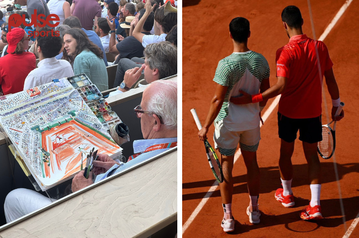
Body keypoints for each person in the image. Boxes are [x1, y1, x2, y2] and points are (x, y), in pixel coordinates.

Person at [4, 79, 177, 223]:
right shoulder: (175, 151)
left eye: (140, 111)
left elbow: (100, 216)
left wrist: (82, 193)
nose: (138, 115)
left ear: (156, 122)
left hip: (98, 217)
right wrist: (118, 166)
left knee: (14, 198)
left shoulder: (143, 165)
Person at [230, 6, 344, 221]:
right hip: (312, 113)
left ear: (284, 25)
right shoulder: (320, 47)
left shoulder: (284, 52)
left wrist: (253, 99)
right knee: (312, 156)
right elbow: (330, 78)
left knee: (285, 153)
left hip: (289, 113)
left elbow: (281, 86)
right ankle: (316, 205)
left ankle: (288, 195)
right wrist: (336, 104)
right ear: (301, 21)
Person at [198, 17, 270, 232]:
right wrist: (255, 110)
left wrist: (205, 126)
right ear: (249, 34)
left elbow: (217, 100)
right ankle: (254, 211)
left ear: (230, 35)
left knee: (226, 166)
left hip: (228, 123)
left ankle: (228, 217)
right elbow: (264, 95)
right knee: (252, 164)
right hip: (251, 122)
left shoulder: (226, 65)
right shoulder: (261, 61)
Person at [109, 41, 177, 94]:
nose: (142, 66)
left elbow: (108, 106)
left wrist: (125, 86)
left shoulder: (147, 93)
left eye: (145, 64)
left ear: (154, 70)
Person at [0, 28, 36, 95]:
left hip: (10, 101)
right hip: (29, 96)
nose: (29, 40)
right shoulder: (31, 57)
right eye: (27, 38)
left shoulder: (1, 62)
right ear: (21, 43)